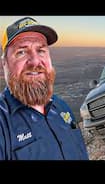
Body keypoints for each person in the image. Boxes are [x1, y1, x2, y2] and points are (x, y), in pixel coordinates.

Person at [0, 17, 89, 160]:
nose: (35, 61)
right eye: (21, 52)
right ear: (4, 64)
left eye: (41, 50)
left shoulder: (61, 108)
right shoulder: (3, 122)